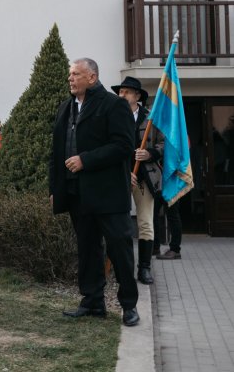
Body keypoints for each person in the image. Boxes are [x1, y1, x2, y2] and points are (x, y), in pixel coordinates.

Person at [49, 58, 139, 327]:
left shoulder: (114, 105)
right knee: (87, 249)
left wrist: (85, 160)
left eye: (76, 74)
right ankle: (92, 301)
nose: (70, 78)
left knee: (119, 249)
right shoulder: (66, 108)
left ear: (92, 77)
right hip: (77, 193)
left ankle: (129, 306)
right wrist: (56, 188)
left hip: (108, 194)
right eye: (69, 74)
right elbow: (56, 152)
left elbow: (124, 145)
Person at [112, 76, 164, 285]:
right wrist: (124, 171)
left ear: (137, 96)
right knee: (115, 224)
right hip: (120, 177)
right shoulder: (113, 117)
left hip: (145, 180)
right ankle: (118, 268)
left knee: (145, 223)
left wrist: (150, 153)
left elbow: (163, 145)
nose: (121, 95)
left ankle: (144, 269)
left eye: (125, 92)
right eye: (120, 91)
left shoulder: (150, 118)